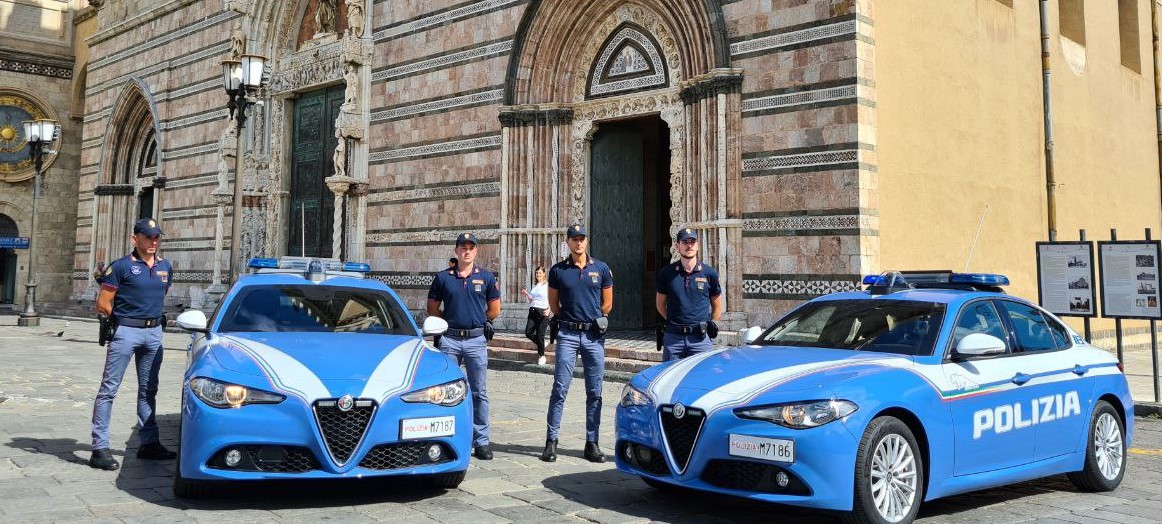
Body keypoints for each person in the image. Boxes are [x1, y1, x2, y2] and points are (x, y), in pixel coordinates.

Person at [89, 218, 176, 471]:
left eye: (157, 237)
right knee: (109, 389)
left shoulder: (165, 266)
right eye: (148, 237)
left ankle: (149, 444)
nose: (153, 242)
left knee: (149, 390)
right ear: (135, 239)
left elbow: (161, 295)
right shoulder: (121, 267)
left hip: (154, 332)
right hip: (126, 331)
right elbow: (103, 302)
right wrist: (121, 324)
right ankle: (99, 448)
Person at [540, 224, 612, 463]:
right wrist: (570, 320)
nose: (578, 242)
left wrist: (592, 319)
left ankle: (592, 443)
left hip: (593, 337)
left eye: (582, 238)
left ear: (587, 241)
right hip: (568, 335)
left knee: (595, 391)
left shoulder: (601, 268)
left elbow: (607, 304)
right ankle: (551, 442)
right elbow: (554, 304)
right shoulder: (558, 270)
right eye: (574, 239)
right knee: (560, 388)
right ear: (568, 242)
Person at [427, 233, 501, 460]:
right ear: (456, 250)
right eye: (463, 247)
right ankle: (447, 438)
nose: (467, 251)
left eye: (471, 247)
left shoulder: (486, 278)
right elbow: (432, 307)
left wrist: (477, 322)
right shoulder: (443, 278)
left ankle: (481, 441)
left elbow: (494, 310)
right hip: (450, 339)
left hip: (476, 340)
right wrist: (447, 323)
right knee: (444, 392)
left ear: (476, 251)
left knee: (479, 392)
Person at [656, 228, 723, 361]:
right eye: (685, 242)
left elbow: (717, 305)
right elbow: (660, 304)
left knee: (702, 378)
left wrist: (711, 323)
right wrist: (674, 320)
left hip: (700, 339)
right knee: (671, 379)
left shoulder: (709, 273)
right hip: (674, 339)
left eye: (692, 242)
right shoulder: (667, 273)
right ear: (677, 246)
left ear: (697, 245)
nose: (689, 245)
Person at [521, 266, 552, 366]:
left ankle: (542, 356)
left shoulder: (547, 285)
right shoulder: (535, 286)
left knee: (540, 335)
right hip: (533, 310)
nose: (538, 275)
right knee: (528, 332)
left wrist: (549, 310)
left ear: (544, 274)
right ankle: (542, 343)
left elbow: (553, 298)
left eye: (539, 273)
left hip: (543, 312)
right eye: (536, 273)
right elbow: (532, 298)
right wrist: (526, 294)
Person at [430, 257, 458, 350]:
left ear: (453, 263)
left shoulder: (445, 275)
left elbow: (432, 307)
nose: (449, 264)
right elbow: (432, 306)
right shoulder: (443, 276)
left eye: (450, 262)